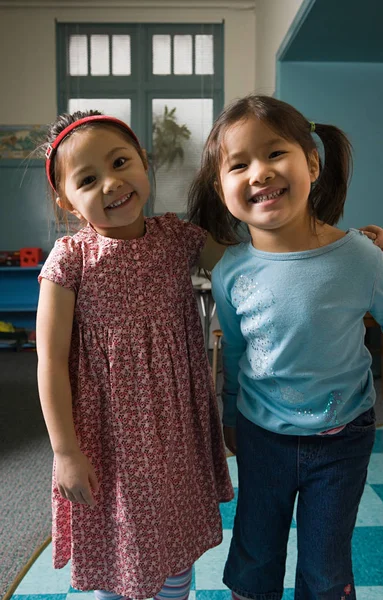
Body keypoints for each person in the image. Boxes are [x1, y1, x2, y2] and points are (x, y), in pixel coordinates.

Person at [187, 94, 383, 600]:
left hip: (343, 437)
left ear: (311, 163)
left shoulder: (362, 257)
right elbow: (234, 355)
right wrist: (231, 416)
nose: (259, 172)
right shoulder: (231, 271)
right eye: (239, 165)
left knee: (327, 570)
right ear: (223, 188)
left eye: (273, 154)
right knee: (255, 557)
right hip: (263, 438)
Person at [36, 111, 234, 600]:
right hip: (109, 436)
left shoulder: (177, 238)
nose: (111, 182)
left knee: (175, 543)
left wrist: (337, 244)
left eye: (121, 162)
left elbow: (252, 263)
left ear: (144, 162)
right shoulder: (71, 257)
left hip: (175, 428)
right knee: (122, 544)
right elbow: (50, 361)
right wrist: (65, 452)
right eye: (87, 178)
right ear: (67, 200)